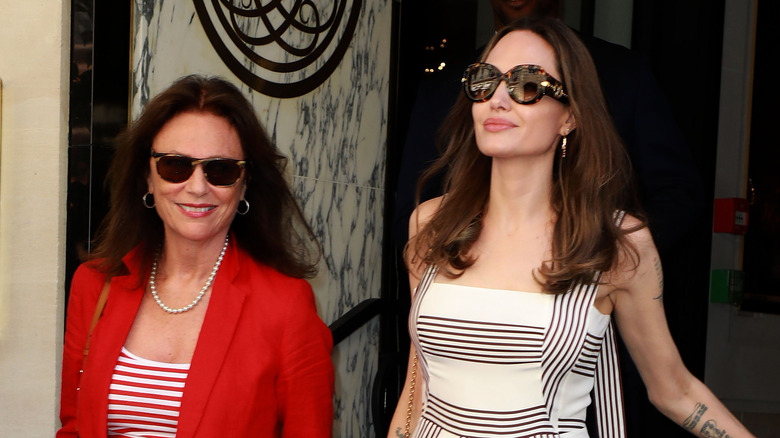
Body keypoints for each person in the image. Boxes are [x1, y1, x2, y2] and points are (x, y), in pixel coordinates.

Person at [387, 17, 753, 438]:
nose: (498, 100)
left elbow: (675, 390)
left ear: (570, 118)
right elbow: (418, 384)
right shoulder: (431, 226)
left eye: (527, 84)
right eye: (484, 81)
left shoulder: (615, 242)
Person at [58, 75, 334, 437]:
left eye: (220, 170)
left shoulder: (286, 306)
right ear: (148, 176)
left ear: (244, 182)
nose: (197, 187)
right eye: (176, 165)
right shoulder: (94, 284)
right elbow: (74, 426)